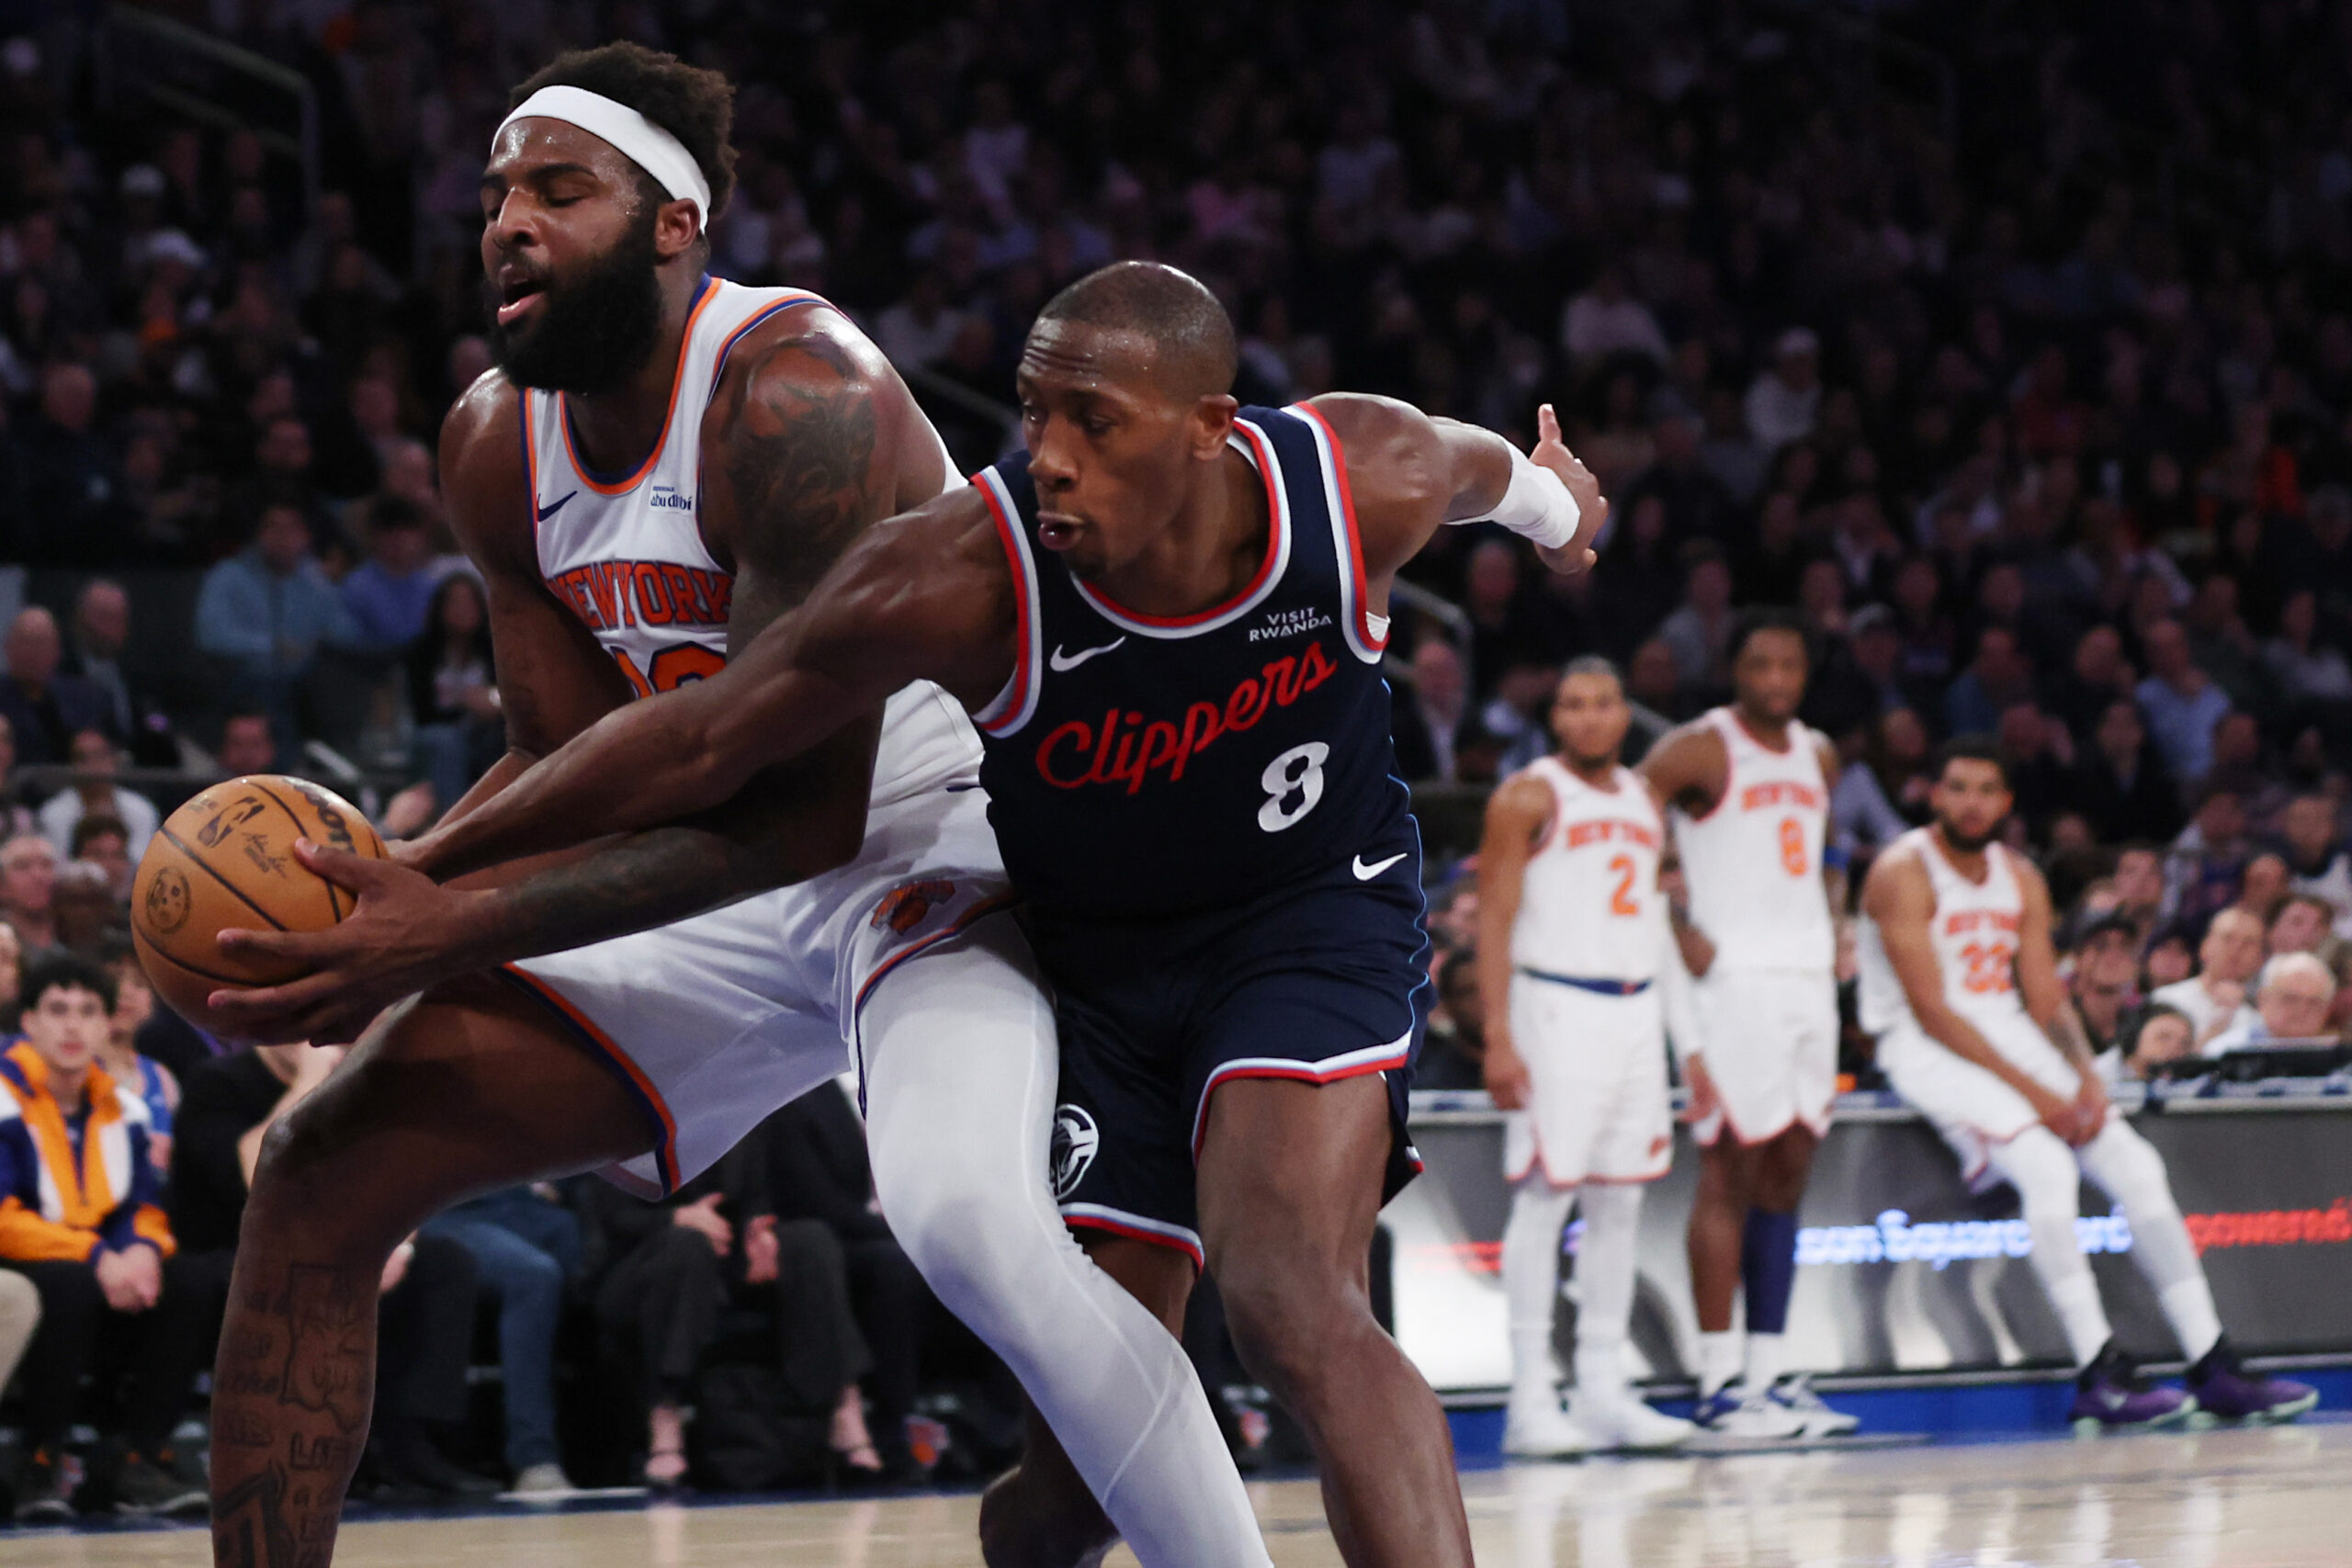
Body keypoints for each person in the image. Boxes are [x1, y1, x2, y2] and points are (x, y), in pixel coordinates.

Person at [256, 258, 1610, 1567]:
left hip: (1307, 919)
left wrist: (1557, 510)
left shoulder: (1357, 475)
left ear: (1211, 430)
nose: (1050, 453)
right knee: (1056, 1509)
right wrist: (428, 867)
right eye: (1033, 410)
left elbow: (1486, 464)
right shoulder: (960, 568)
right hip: (1094, 965)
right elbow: (702, 739)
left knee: (1287, 1296)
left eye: (1095, 419)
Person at [194, 48, 1265, 1568]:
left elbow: (796, 812)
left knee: (967, 1226)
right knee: (319, 1171)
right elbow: (569, 756)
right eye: (497, 192)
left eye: (561, 190)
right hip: (702, 867)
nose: (509, 221)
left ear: (676, 222)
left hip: (932, 831)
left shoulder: (793, 390)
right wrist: (383, 895)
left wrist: (438, 918)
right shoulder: (496, 439)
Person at [1855, 739, 2317, 1429]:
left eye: (1986, 789)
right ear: (1935, 795)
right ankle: (2097, 1370)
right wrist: (2041, 1098)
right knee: (2045, 1164)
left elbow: (2044, 993)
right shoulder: (1902, 869)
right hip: (1923, 1043)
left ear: (2007, 803)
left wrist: (2081, 1077)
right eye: (1958, 787)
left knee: (2135, 1162)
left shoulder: (2020, 875)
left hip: (2003, 1029)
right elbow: (1932, 1008)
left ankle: (2211, 1360)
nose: (1971, 801)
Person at [1639, 608, 1855, 1438]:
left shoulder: (1819, 751)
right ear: (1737, 669)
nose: (1775, 678)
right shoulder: (1699, 744)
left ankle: (1768, 1375)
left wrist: (1835, 918)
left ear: (1805, 672)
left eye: (1789, 664)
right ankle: (1717, 1380)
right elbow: (1634, 808)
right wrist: (1671, 902)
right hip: (1733, 983)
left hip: (1806, 983)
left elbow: (1829, 850)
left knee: (1790, 1167)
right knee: (1728, 1168)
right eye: (1760, 662)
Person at [1476, 658, 1697, 1456]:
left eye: (1604, 703)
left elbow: (1655, 923)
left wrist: (1685, 1041)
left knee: (1621, 1202)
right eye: (1574, 704)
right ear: (1556, 717)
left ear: (1623, 713)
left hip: (1636, 1012)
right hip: (1555, 1006)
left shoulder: (1645, 799)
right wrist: (1498, 1035)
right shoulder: (1528, 794)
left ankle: (1603, 1385)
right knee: (1544, 1199)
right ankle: (1531, 1395)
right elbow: (1493, 920)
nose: (1591, 717)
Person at [166, 1043, 492, 1499]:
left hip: (327, 1246)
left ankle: (409, 1445)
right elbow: (255, 1175)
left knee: (445, 1263)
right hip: (232, 1248)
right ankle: (308, 1451)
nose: (309, 1036)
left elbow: (396, 1173)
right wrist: (306, 1086)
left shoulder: (351, 1079)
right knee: (304, 1277)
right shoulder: (216, 1083)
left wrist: (394, 1249)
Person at [0, 955, 210, 1518]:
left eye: (89, 1012)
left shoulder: (127, 1107)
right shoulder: (3, 1095)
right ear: (29, 1023)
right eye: (58, 1011)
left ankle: (143, 1457)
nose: (73, 1027)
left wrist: (141, 1249)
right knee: (68, 1285)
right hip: (28, 1262)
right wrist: (98, 1256)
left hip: (98, 1268)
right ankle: (40, 1463)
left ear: (106, 1025)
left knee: (187, 1279)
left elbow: (141, 1206)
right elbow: (3, 1218)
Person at [414, 1184, 582, 1492]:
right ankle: (534, 1457)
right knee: (534, 1276)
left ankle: (613, 1451)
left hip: (530, 1206)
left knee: (601, 1261)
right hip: (452, 1208)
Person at [404, 572, 503, 816]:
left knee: (504, 740)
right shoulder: (421, 652)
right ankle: (452, 820)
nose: (463, 609)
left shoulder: (493, 649)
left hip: (484, 730)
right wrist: (465, 704)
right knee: (449, 742)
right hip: (434, 733)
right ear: (440, 608)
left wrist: (490, 704)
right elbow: (422, 713)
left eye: (469, 602)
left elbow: (504, 698)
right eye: (454, 602)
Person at [0, 606, 112, 766]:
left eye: (40, 643)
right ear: (7, 647)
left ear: (57, 650)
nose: (32, 652)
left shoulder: (88, 698)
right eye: (26, 642)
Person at [2150, 907, 2264, 1053]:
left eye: (2248, 943)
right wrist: (2219, 1025)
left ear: (2261, 959)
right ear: (2205, 946)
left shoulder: (2260, 1018)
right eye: (2228, 938)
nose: (2236, 949)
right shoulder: (2166, 1000)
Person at [37, 727, 160, 861]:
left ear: (115, 759)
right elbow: (58, 867)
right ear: (72, 765)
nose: (93, 765)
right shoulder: (54, 813)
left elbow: (143, 864)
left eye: (99, 756)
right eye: (82, 758)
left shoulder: (141, 809)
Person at [2205, 953, 2338, 1051]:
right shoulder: (2225, 1051)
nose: (2302, 1010)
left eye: (2314, 1003)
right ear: (2263, 1000)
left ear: (2326, 1011)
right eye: (2290, 999)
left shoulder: (2341, 1063)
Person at [0, 833, 57, 953]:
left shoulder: (79, 933)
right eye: (22, 867)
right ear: (2, 886)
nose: (38, 876)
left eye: (46, 865)